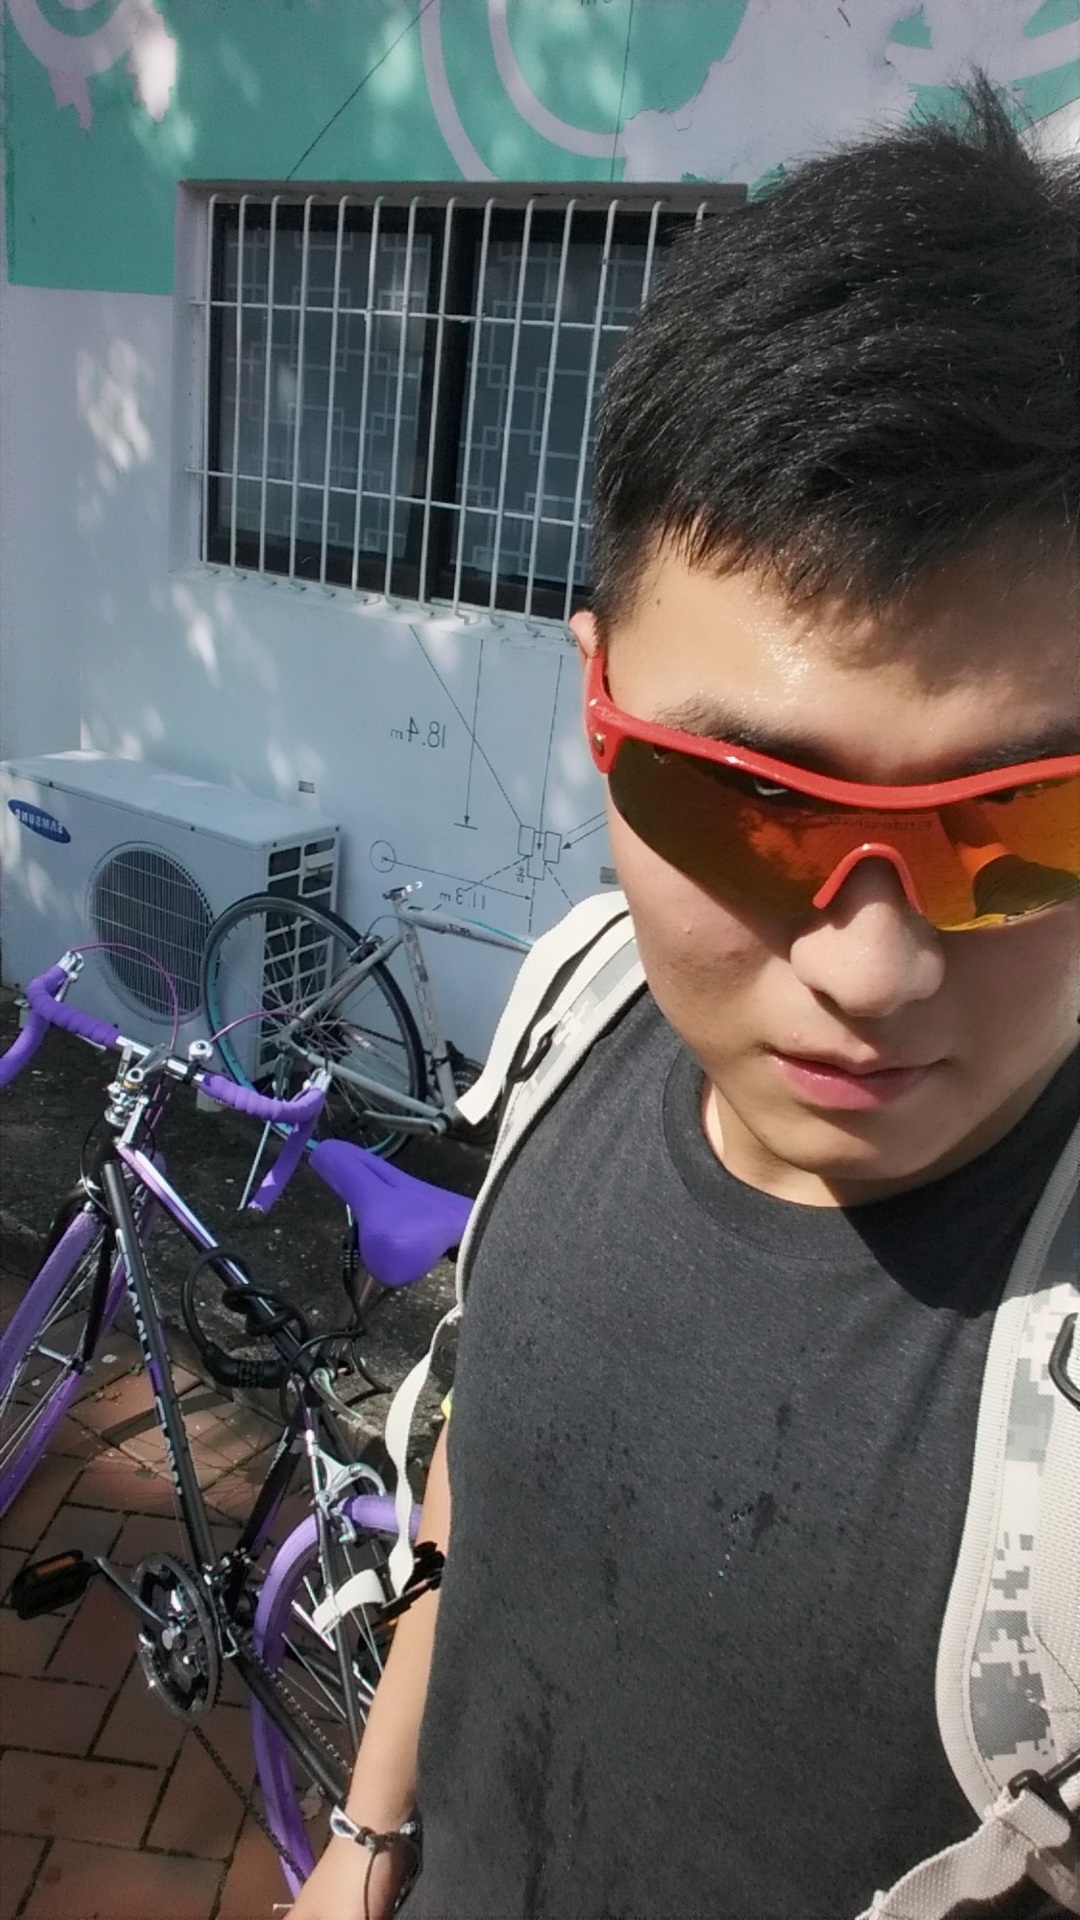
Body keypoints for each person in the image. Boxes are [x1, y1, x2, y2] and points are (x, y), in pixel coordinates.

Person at [291, 81, 1079, 1920]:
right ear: (594, 703)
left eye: (1031, 822)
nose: (873, 967)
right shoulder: (579, 1006)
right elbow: (490, 1441)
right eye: (745, 802)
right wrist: (369, 1836)